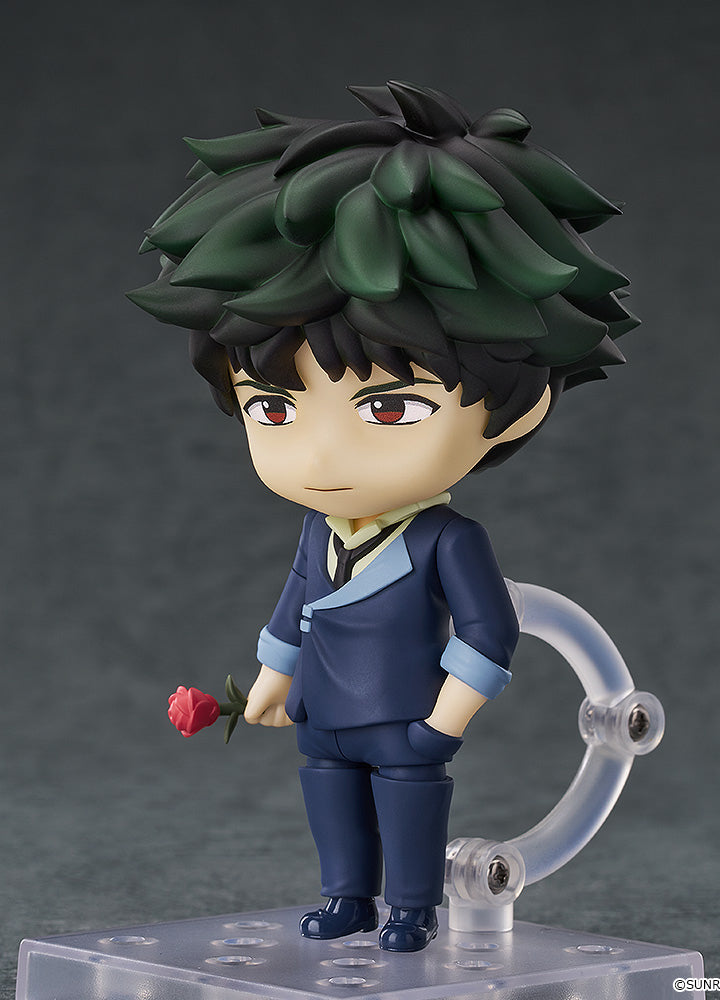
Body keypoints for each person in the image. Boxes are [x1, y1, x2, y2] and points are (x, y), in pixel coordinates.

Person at [129, 80, 638, 951]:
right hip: (324, 711)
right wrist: (273, 682)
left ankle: (410, 906)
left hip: (408, 717)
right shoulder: (318, 530)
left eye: (391, 408)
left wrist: (445, 718)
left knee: (407, 808)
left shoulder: (449, 539)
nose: (322, 459)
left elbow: (489, 632)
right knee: (330, 797)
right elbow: (295, 606)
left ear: (515, 408)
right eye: (274, 409)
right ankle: (347, 899)